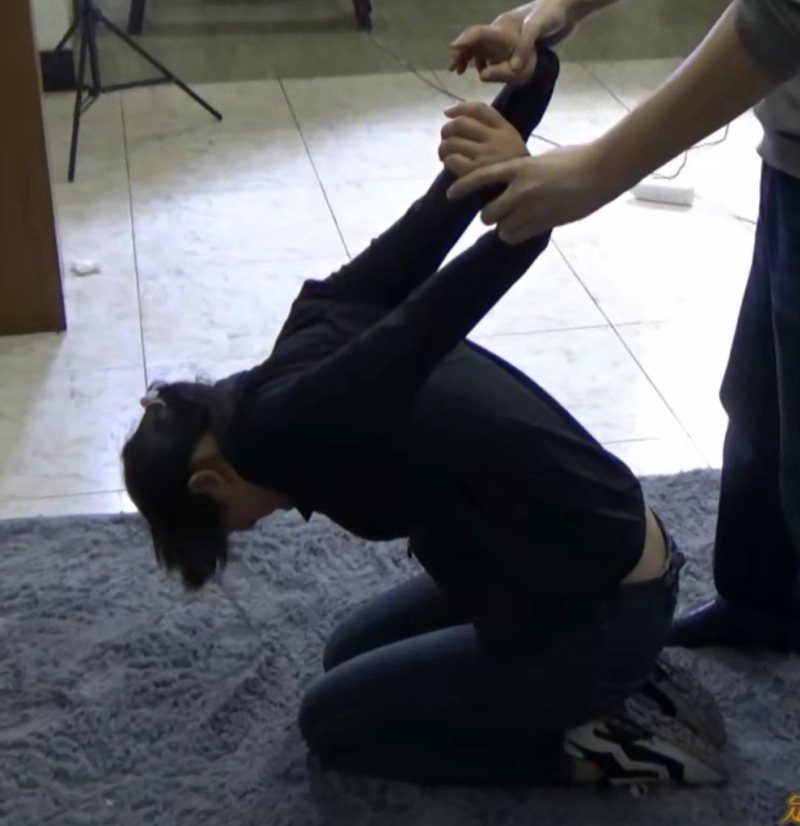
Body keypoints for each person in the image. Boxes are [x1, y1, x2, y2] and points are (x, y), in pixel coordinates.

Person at [122, 49, 725, 787]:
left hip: (600, 605)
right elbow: (440, 210)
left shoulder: (291, 430)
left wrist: (529, 191)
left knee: (332, 724)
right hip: (591, 553)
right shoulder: (305, 334)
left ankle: (596, 739)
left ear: (209, 481)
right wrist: (531, 78)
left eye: (231, 525)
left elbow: (434, 315)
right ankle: (607, 681)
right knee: (347, 652)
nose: (253, 527)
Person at [444, 0, 800, 654]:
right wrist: (559, 9)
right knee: (762, 406)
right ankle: (762, 604)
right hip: (797, 155)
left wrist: (594, 171)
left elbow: (787, 16)